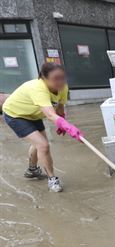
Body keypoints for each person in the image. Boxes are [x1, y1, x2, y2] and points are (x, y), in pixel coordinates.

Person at [2, 63, 84, 192]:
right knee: (43, 145)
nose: (60, 82)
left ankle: (32, 170)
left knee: (38, 144)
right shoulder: (37, 88)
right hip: (15, 114)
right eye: (55, 78)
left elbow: (60, 109)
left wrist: (63, 121)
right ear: (43, 78)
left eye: (62, 78)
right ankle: (52, 179)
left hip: (34, 115)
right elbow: (51, 115)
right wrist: (68, 127)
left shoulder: (63, 88)